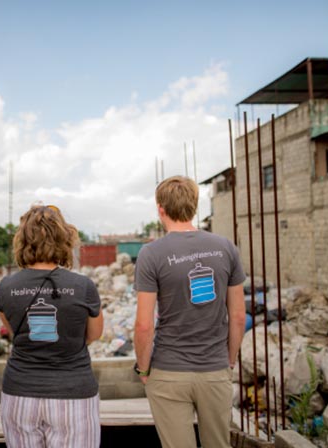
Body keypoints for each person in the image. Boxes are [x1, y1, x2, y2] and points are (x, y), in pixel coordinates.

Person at [133, 176, 246, 448]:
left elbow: (144, 326)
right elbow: (239, 317)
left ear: (160, 209)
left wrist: (144, 369)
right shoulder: (226, 247)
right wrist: (228, 361)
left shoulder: (151, 254)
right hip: (214, 369)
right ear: (194, 206)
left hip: (168, 371)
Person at [0, 204, 103, 448]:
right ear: (64, 238)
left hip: (20, 394)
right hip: (73, 394)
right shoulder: (83, 286)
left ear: (21, 241)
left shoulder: (6, 287)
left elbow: (14, 333)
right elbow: (94, 335)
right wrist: (68, 340)